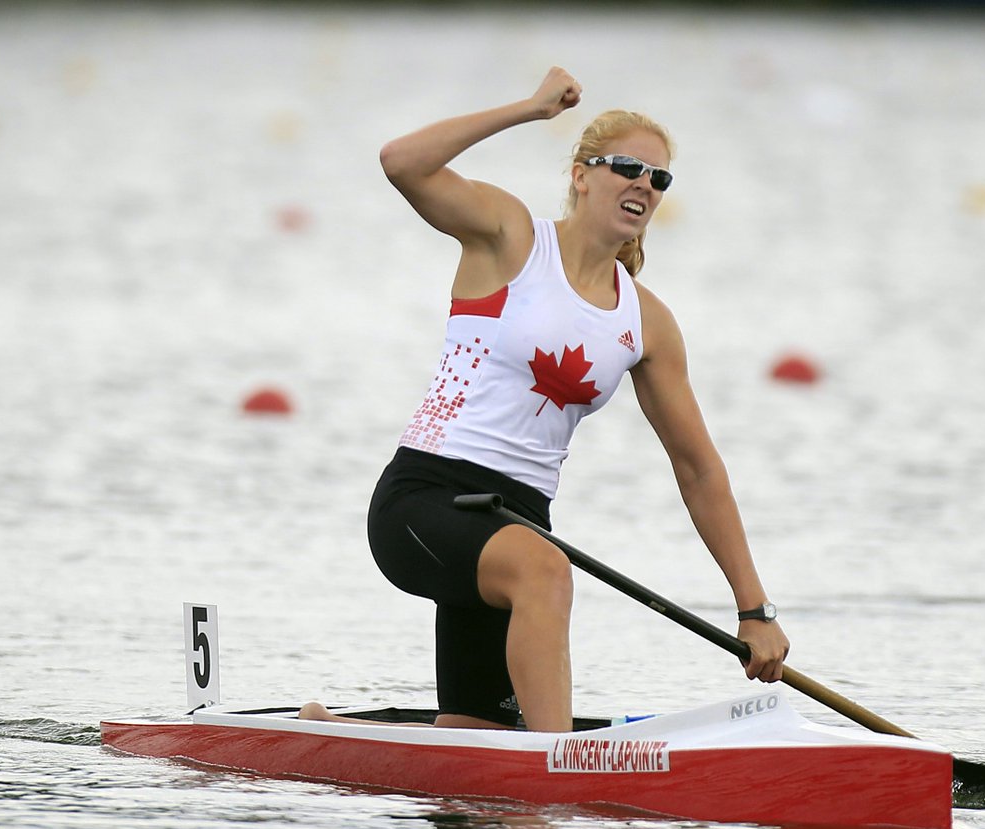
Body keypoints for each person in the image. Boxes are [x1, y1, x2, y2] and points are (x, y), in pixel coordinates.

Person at [307, 67, 789, 733]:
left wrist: (754, 609)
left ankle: (332, 732)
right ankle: (559, 765)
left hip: (519, 523)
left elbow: (699, 470)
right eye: (627, 167)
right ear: (581, 175)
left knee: (475, 741)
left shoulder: (647, 322)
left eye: (658, 178)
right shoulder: (510, 237)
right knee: (547, 572)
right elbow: (401, 162)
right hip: (425, 500)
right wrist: (530, 109)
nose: (644, 184)